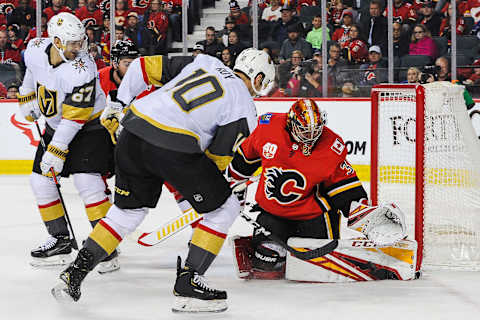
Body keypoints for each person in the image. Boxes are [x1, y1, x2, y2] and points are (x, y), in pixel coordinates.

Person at [52, 48, 276, 313]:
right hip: (174, 146)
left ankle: (74, 275)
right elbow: (216, 160)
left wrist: (118, 104)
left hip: (133, 129)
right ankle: (189, 283)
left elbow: (141, 67)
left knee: (126, 213)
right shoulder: (245, 107)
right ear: (259, 79)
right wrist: (222, 190)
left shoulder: (205, 61)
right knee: (223, 209)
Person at [17, 12, 117, 273]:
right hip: (53, 126)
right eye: (72, 43)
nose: (78, 48)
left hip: (89, 129)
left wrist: (57, 149)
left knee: (88, 183)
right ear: (56, 41)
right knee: (40, 181)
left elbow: (76, 117)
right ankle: (60, 240)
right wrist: (27, 96)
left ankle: (105, 246)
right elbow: (32, 70)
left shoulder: (83, 68)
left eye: (80, 41)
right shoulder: (36, 48)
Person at [226, 98, 368, 278]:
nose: (311, 136)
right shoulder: (267, 129)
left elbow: (346, 189)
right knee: (265, 267)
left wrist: (364, 217)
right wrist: (230, 181)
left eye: (315, 130)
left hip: (313, 217)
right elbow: (245, 158)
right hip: (273, 215)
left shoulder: (331, 146)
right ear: (290, 123)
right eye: (304, 131)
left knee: (318, 271)